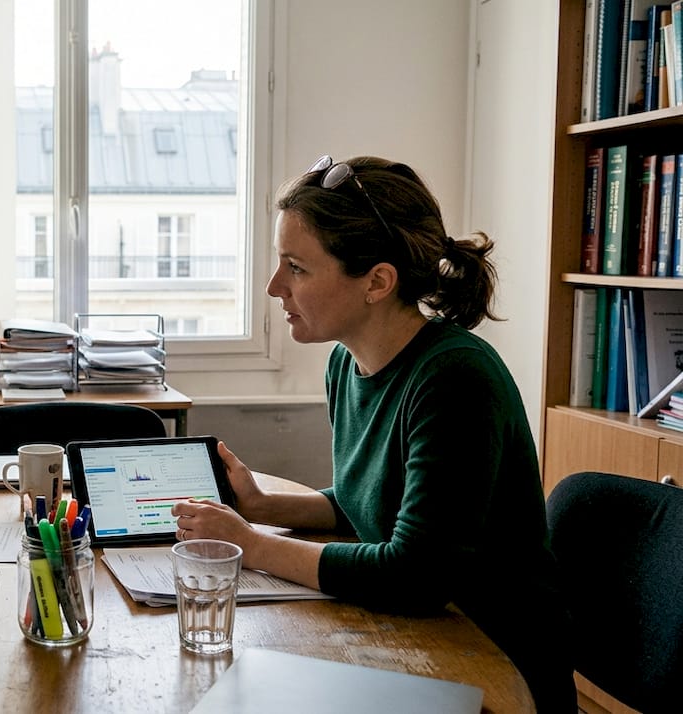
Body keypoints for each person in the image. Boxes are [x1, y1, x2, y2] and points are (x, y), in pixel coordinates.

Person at [172, 155, 575, 712]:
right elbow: (372, 503)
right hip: (416, 638)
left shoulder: (455, 378)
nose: (273, 287)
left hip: (492, 664)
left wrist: (253, 546)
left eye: (296, 267)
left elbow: (416, 575)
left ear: (377, 282)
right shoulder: (345, 363)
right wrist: (264, 507)